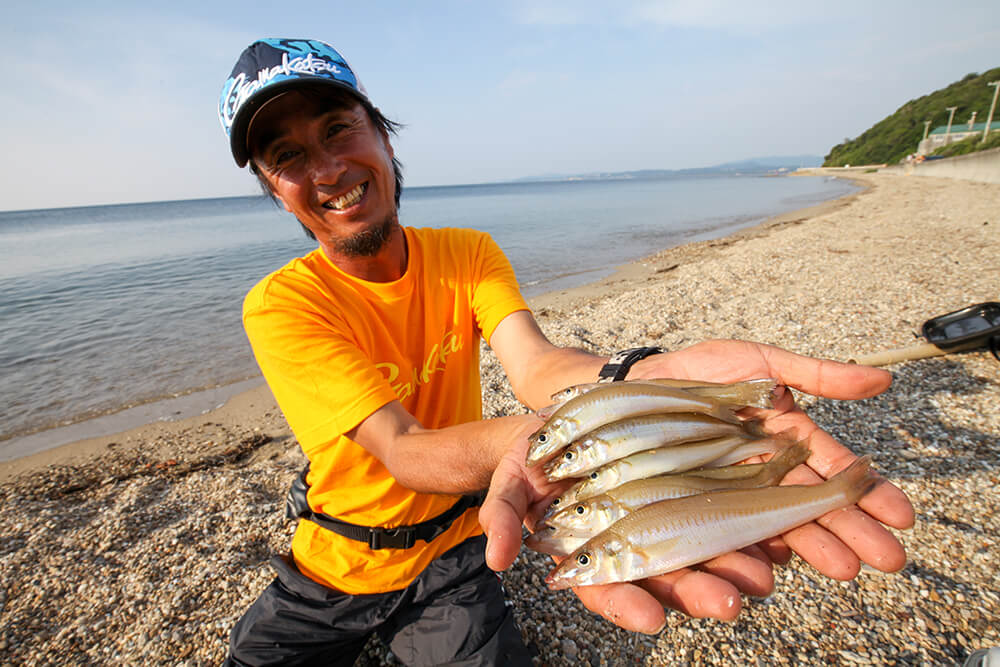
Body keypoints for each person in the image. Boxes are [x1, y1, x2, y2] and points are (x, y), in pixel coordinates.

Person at [217, 38, 914, 666]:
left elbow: (536, 365)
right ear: (278, 194)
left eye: (338, 128)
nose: (328, 167)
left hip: (456, 555)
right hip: (333, 565)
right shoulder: (282, 304)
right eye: (288, 158)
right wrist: (542, 436)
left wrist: (632, 380)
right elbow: (401, 448)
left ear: (384, 139)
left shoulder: (467, 254)